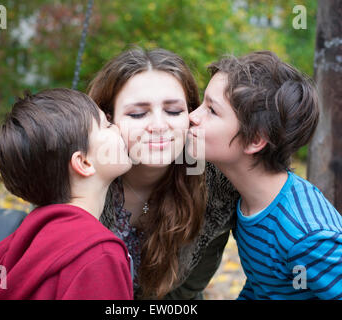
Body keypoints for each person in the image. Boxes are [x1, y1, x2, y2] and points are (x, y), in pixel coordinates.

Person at [187, 50, 342, 299]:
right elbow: (263, 287)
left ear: (255, 139)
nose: (192, 117)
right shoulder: (246, 202)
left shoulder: (308, 237)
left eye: (212, 110)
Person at [88, 47, 239, 299]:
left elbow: (189, 288)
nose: (159, 126)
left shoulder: (214, 186)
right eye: (138, 113)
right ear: (108, 118)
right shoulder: (78, 174)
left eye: (173, 111)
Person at [0, 88, 134, 300]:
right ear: (84, 162)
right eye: (106, 125)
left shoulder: (14, 248)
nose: (117, 128)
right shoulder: (98, 255)